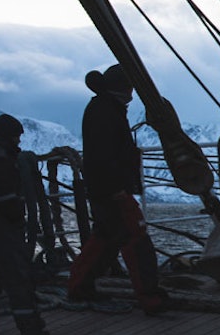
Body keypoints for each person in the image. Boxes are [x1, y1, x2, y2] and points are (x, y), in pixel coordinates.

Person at [67, 64, 170, 314]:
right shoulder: (107, 112)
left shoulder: (103, 108)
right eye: (131, 87)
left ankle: (79, 287)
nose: (133, 93)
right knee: (136, 238)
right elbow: (104, 155)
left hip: (105, 189)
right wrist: (118, 189)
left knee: (106, 238)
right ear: (124, 88)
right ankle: (149, 297)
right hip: (113, 190)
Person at [0, 113, 50, 335]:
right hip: (2, 224)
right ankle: (31, 329)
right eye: (17, 137)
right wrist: (18, 219)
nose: (19, 141)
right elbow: (6, 197)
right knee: (17, 275)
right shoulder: (0, 158)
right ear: (10, 135)